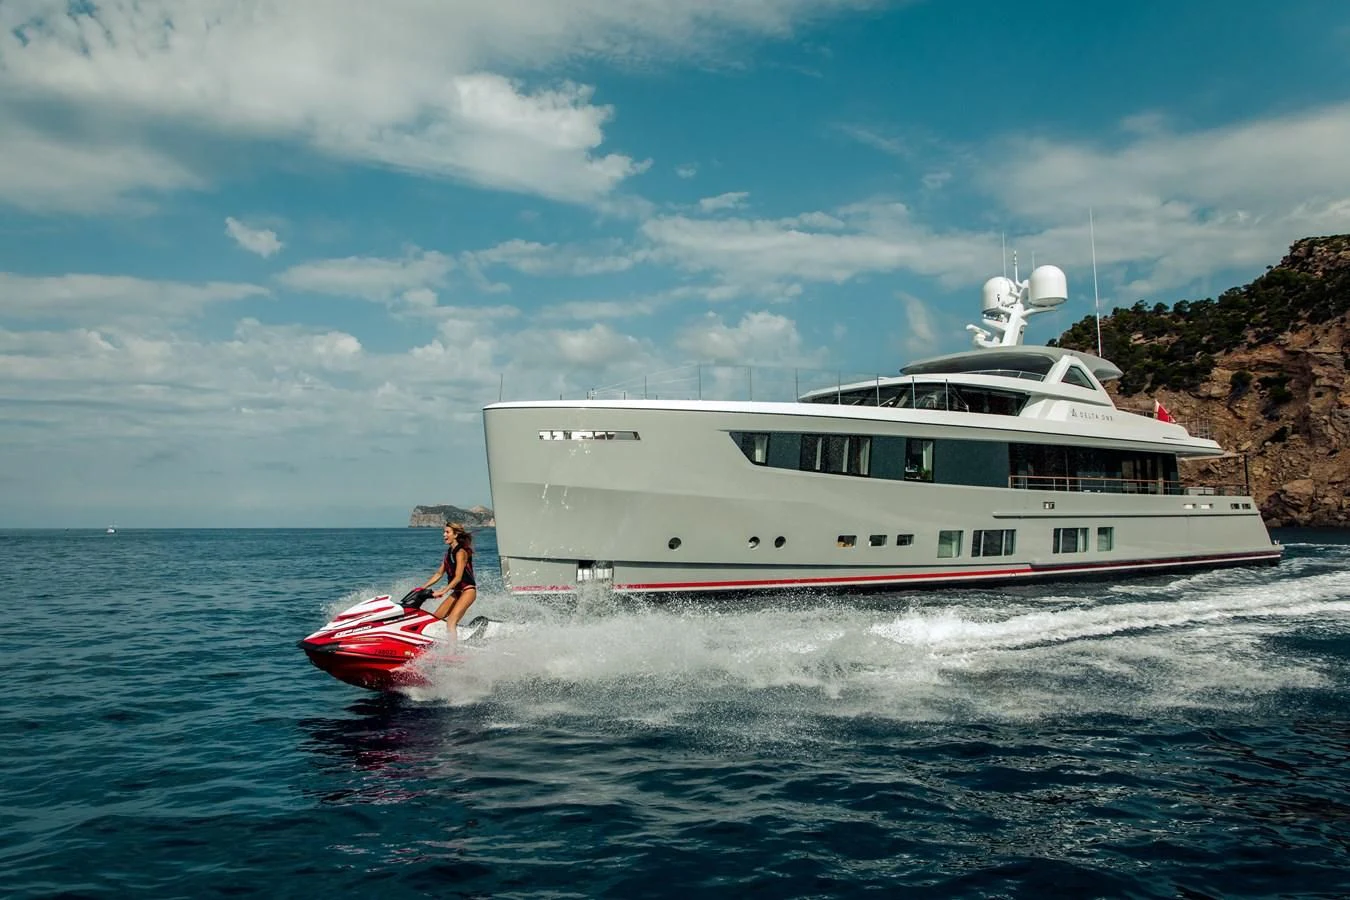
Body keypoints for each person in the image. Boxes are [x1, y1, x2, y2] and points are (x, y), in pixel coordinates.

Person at [418, 522, 477, 631]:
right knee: (435, 619)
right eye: (444, 532)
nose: (444, 535)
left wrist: (443, 591)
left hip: (468, 591)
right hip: (458, 592)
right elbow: (439, 574)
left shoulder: (461, 552)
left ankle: (452, 648)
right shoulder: (449, 553)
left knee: (451, 622)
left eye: (447, 532)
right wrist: (422, 587)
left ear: (455, 535)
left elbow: (458, 577)